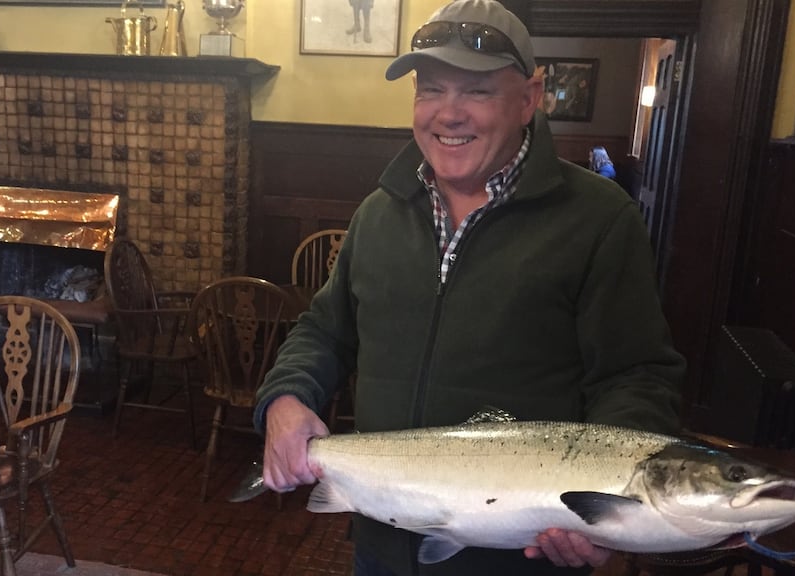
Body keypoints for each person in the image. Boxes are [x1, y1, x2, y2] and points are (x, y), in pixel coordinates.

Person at [254, 1, 684, 574]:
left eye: (476, 91)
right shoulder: (378, 213)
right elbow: (324, 331)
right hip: (383, 545)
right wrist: (287, 396)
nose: (448, 113)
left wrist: (614, 507)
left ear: (529, 98)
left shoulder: (600, 219)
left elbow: (635, 376)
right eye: (431, 89)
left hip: (523, 556)